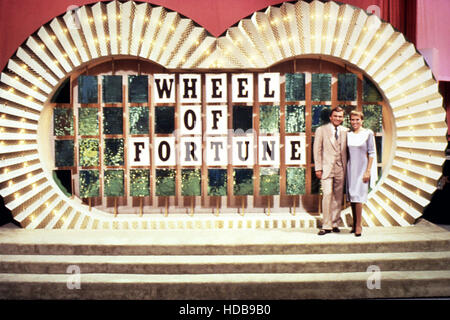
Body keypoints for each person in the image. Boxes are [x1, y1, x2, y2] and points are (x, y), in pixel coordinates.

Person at [313, 106, 348, 235]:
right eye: (335, 116)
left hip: (341, 168)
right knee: (327, 194)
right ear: (330, 117)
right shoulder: (321, 130)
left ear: (343, 118)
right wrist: (318, 168)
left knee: (338, 197)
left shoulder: (346, 131)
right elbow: (317, 150)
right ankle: (326, 225)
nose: (338, 118)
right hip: (326, 168)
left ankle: (334, 223)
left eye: (340, 116)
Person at [346, 111, 377, 237]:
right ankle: (354, 224)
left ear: (362, 120)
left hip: (362, 169)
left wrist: (368, 171)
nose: (355, 122)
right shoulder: (348, 134)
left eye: (357, 119)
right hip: (350, 168)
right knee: (352, 196)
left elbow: (372, 153)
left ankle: (359, 225)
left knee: (358, 197)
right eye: (352, 120)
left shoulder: (368, 133)